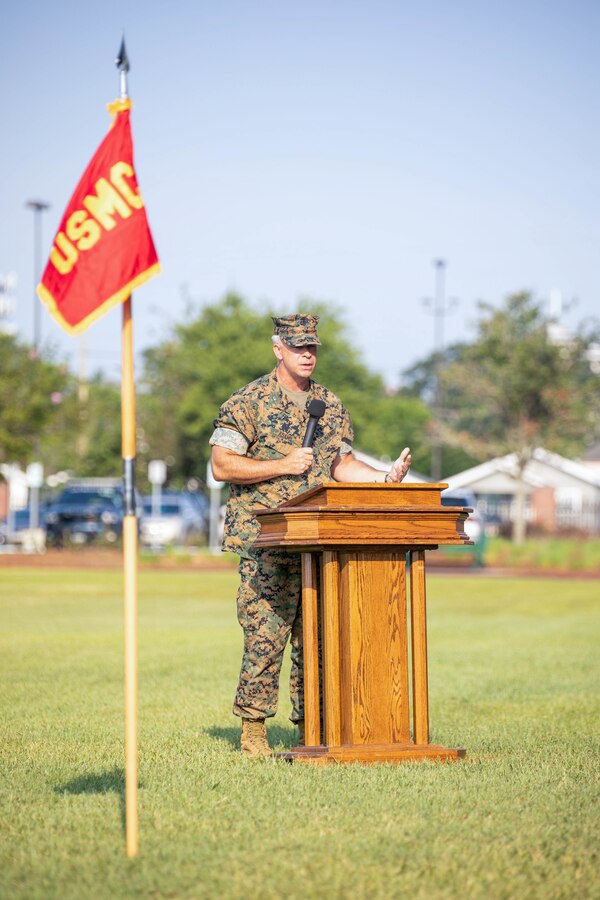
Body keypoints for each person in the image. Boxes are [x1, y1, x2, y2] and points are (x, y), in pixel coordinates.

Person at [210, 313, 412, 758]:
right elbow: (222, 465)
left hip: (318, 540)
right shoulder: (249, 401)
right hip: (265, 540)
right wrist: (281, 465)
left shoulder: (329, 405)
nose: (307, 354)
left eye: (313, 347)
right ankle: (254, 731)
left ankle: (312, 728)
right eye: (298, 346)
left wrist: (383, 478)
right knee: (266, 634)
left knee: (317, 638)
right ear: (278, 348)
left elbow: (341, 464)